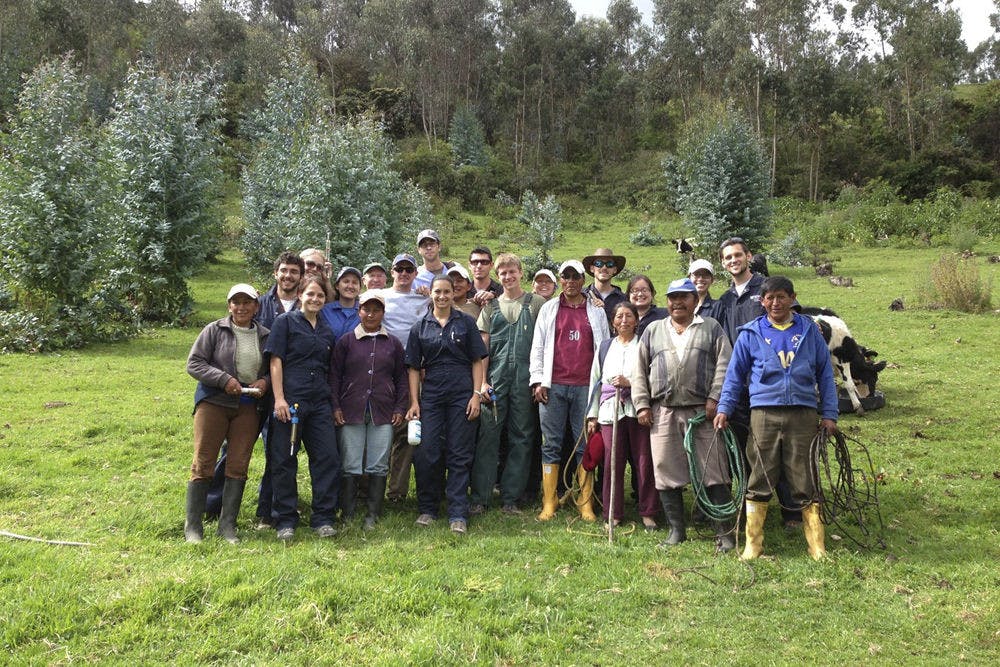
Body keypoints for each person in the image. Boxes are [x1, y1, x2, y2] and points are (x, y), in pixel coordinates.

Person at [714, 276, 838, 560]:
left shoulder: (810, 332)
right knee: (759, 474)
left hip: (803, 414)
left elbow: (825, 375)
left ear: (793, 297)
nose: (775, 303)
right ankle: (753, 545)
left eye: (781, 296)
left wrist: (829, 413)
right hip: (763, 414)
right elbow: (734, 377)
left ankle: (817, 545)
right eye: (769, 298)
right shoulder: (750, 333)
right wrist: (724, 408)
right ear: (762, 301)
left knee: (805, 475)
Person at [633, 278, 735, 551]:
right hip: (663, 412)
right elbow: (639, 370)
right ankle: (677, 531)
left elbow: (725, 365)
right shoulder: (653, 330)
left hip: (703, 412)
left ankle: (724, 533)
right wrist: (642, 405)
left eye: (684, 297)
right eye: (672, 297)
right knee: (667, 471)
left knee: (715, 470)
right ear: (666, 301)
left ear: (695, 301)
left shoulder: (711, 327)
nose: (677, 302)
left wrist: (715, 397)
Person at [205, 251, 303, 524]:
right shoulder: (259, 303)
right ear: (276, 273)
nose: (288, 276)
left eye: (294, 272)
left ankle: (267, 511)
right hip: (250, 390)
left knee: (278, 452)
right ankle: (213, 505)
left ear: (301, 277)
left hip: (283, 390)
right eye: (284, 270)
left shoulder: (305, 305)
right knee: (233, 449)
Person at [715, 237, 799, 526]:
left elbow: (789, 325)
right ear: (723, 263)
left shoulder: (766, 288)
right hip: (737, 385)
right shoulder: (724, 300)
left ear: (748, 256)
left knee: (779, 447)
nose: (733, 260)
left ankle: (792, 511)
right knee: (741, 448)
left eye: (738, 255)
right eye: (727, 257)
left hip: (769, 384)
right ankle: (749, 506)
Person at [184, 284, 270, 544]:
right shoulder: (214, 330)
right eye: (236, 302)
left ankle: (227, 525)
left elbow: (274, 367)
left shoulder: (265, 335)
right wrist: (222, 379)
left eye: (247, 302)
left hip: (247, 405)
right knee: (204, 460)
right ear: (229, 305)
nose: (241, 307)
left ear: (256, 306)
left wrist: (264, 382)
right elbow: (194, 363)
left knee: (238, 463)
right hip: (214, 402)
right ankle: (194, 527)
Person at [405, 275, 488, 533]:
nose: (442, 296)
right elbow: (413, 368)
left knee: (459, 453)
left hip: (461, 394)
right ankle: (428, 508)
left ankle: (457, 513)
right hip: (431, 395)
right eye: (437, 292)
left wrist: (476, 394)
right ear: (430, 293)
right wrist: (414, 401)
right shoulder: (420, 327)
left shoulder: (465, 323)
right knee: (427, 452)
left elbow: (477, 360)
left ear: (454, 294)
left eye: (446, 292)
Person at [530, 259, 611, 522]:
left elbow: (605, 348)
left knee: (583, 444)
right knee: (550, 444)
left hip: (586, 388)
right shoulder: (550, 308)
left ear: (583, 280)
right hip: (553, 386)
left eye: (576, 276)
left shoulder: (597, 310)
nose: (571, 281)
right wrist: (537, 380)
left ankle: (584, 501)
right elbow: (538, 346)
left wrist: (603, 386)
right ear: (560, 280)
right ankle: (549, 501)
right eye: (566, 276)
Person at [265, 275, 341, 541]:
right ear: (300, 295)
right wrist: (279, 399)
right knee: (285, 459)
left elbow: (329, 368)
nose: (315, 299)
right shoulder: (284, 323)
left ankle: (323, 518)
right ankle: (285, 518)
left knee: (327, 458)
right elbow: (276, 361)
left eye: (320, 296)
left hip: (319, 401)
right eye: (311, 294)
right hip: (291, 401)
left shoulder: (326, 329)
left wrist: (332, 404)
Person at [470, 253, 546, 515]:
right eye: (503, 273)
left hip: (525, 382)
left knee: (522, 438)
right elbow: (483, 351)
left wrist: (539, 381)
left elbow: (545, 344)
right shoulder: (490, 308)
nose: (508, 276)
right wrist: (481, 384)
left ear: (521, 273)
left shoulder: (536, 303)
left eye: (512, 271)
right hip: (496, 381)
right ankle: (481, 497)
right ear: (498, 276)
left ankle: (511, 498)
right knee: (488, 437)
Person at [329, 291, 408, 530]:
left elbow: (401, 378)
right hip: (351, 409)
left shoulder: (392, 343)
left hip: (383, 410)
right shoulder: (346, 342)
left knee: (378, 462)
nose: (371, 314)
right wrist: (335, 406)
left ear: (383, 313)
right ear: (359, 311)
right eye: (366, 309)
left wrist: (400, 407)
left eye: (376, 310)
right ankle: (349, 512)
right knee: (351, 462)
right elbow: (334, 377)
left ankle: (373, 513)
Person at [586, 302, 657, 530]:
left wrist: (631, 383)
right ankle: (612, 513)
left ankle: (648, 512)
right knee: (611, 464)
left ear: (636, 320)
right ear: (612, 322)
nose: (623, 320)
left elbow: (652, 376)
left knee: (645, 462)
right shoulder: (605, 347)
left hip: (638, 411)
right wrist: (592, 415)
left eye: (628, 316)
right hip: (610, 411)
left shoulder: (644, 345)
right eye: (619, 316)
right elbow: (595, 381)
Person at [381, 253, 431, 502]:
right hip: (384, 371)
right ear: (392, 272)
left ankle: (397, 492)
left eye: (408, 270)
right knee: (383, 428)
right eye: (398, 269)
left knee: (408, 429)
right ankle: (372, 488)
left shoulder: (423, 299)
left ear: (415, 273)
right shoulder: (381, 297)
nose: (403, 273)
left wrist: (430, 295)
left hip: (413, 371)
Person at [582, 248, 627, 322]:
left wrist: (604, 311)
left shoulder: (623, 299)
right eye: (599, 264)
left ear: (614, 269)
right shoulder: (582, 295)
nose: (604, 267)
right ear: (592, 268)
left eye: (609, 264)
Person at [321, 266, 361, 339]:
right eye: (346, 281)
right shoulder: (324, 311)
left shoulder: (364, 312)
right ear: (337, 286)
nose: (350, 286)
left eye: (355, 283)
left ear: (360, 288)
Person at [413, 229, 454, 293]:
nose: (428, 248)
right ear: (419, 250)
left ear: (439, 247)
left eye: (432, 244)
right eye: (424, 245)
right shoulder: (415, 277)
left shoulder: (453, 270)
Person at [628, 274, 667, 339]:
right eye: (635, 291)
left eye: (644, 290)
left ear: (652, 294)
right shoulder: (623, 317)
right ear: (628, 295)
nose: (640, 294)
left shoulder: (665, 315)